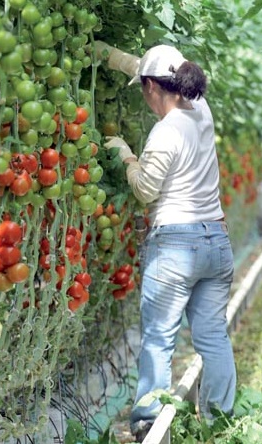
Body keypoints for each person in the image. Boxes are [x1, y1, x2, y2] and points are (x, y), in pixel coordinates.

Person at [103, 45, 236, 441]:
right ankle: (220, 422)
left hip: (177, 245)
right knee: (213, 337)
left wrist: (125, 155)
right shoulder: (201, 110)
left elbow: (145, 190)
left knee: (160, 338)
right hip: (216, 241)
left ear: (149, 88)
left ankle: (148, 423)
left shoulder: (164, 131)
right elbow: (146, 67)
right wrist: (111, 56)